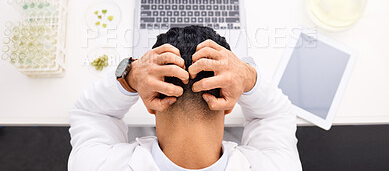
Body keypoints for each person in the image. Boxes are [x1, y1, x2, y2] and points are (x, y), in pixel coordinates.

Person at [68, 26, 302, 171]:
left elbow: (92, 113)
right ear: (227, 104)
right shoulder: (278, 166)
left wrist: (130, 74)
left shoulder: (93, 164)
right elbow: (275, 114)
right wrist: (247, 76)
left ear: (151, 104)